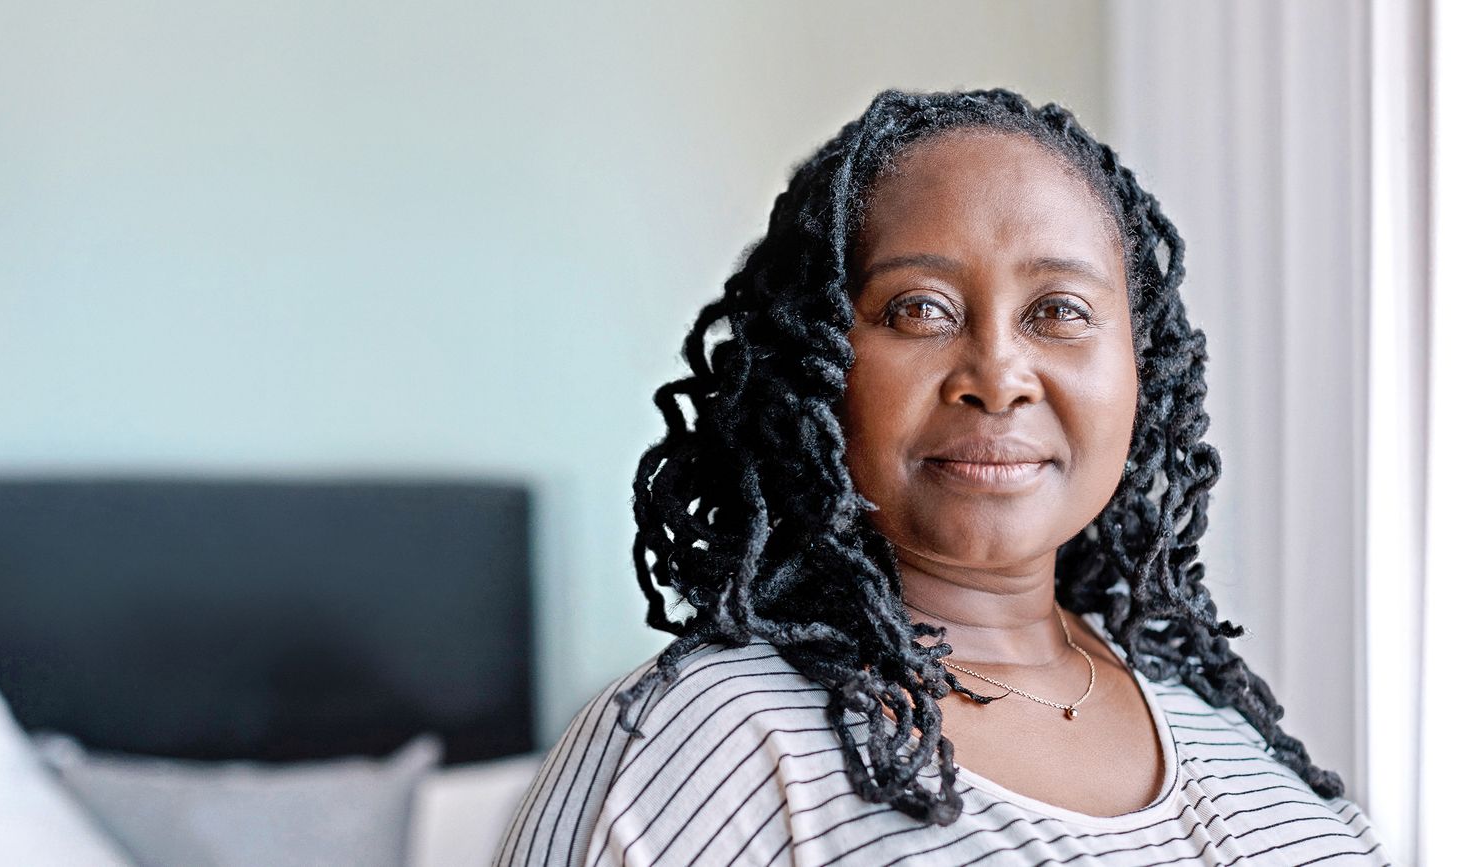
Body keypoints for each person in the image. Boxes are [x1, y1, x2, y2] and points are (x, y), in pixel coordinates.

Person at [494, 88, 1389, 865]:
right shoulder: (706, 738)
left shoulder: (1215, 720)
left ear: (1140, 371)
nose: (997, 374)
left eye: (1059, 311)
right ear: (814, 367)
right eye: (919, 309)